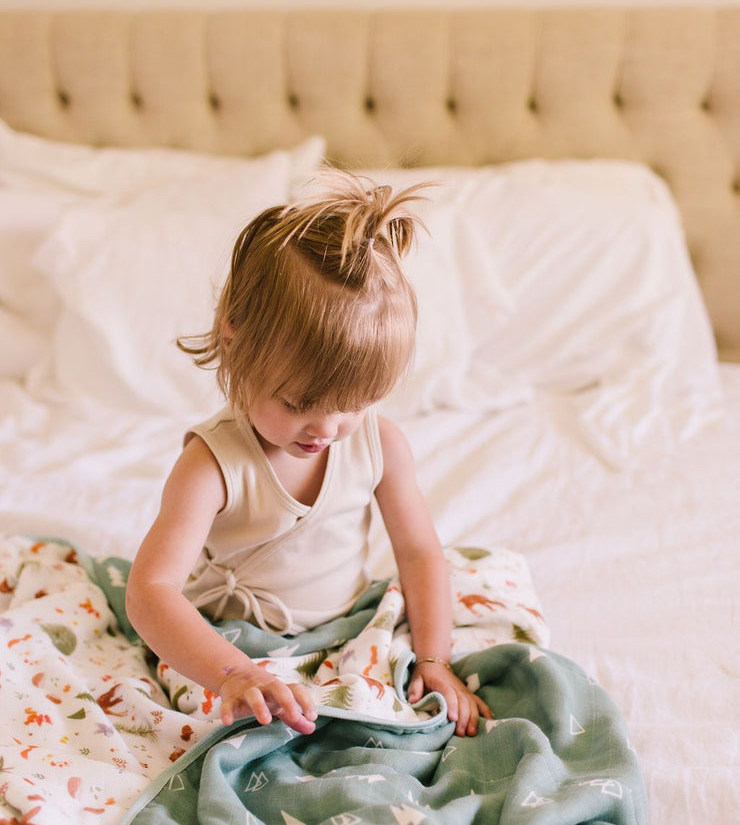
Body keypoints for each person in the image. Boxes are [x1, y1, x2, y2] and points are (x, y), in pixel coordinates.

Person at [126, 171, 491, 739]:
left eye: (354, 405)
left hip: (344, 629)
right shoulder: (212, 465)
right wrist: (234, 674)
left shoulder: (379, 444)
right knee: (253, 732)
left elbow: (419, 552)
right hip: (233, 649)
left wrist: (434, 660)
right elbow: (150, 592)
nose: (327, 428)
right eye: (298, 403)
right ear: (235, 343)